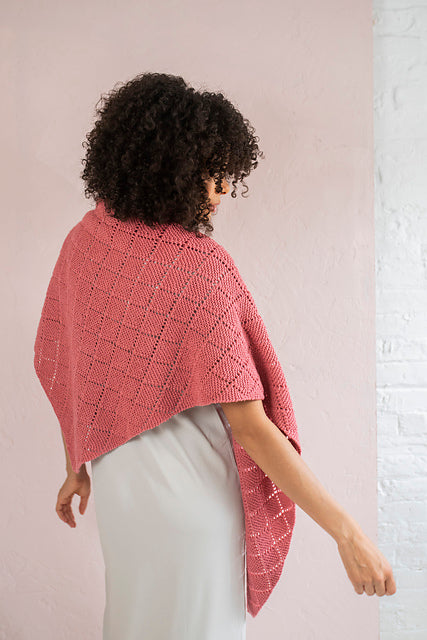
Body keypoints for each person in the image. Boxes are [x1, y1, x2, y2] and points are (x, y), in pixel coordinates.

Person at [44, 72, 395, 639]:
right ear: (172, 170)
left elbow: (74, 369)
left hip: (124, 503)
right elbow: (251, 426)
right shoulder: (199, 268)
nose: (224, 190)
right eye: (213, 173)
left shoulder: (84, 242)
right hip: (194, 504)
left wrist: (76, 466)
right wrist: (346, 532)